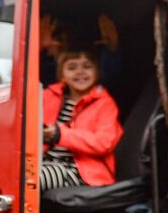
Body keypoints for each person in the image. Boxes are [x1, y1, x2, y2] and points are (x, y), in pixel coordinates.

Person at [40, 46, 121, 191]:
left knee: (31, 180)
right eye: (72, 68)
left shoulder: (105, 104)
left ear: (97, 72)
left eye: (87, 66)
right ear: (62, 75)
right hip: (44, 161)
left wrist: (60, 135)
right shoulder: (49, 96)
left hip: (79, 172)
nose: (80, 72)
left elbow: (103, 143)